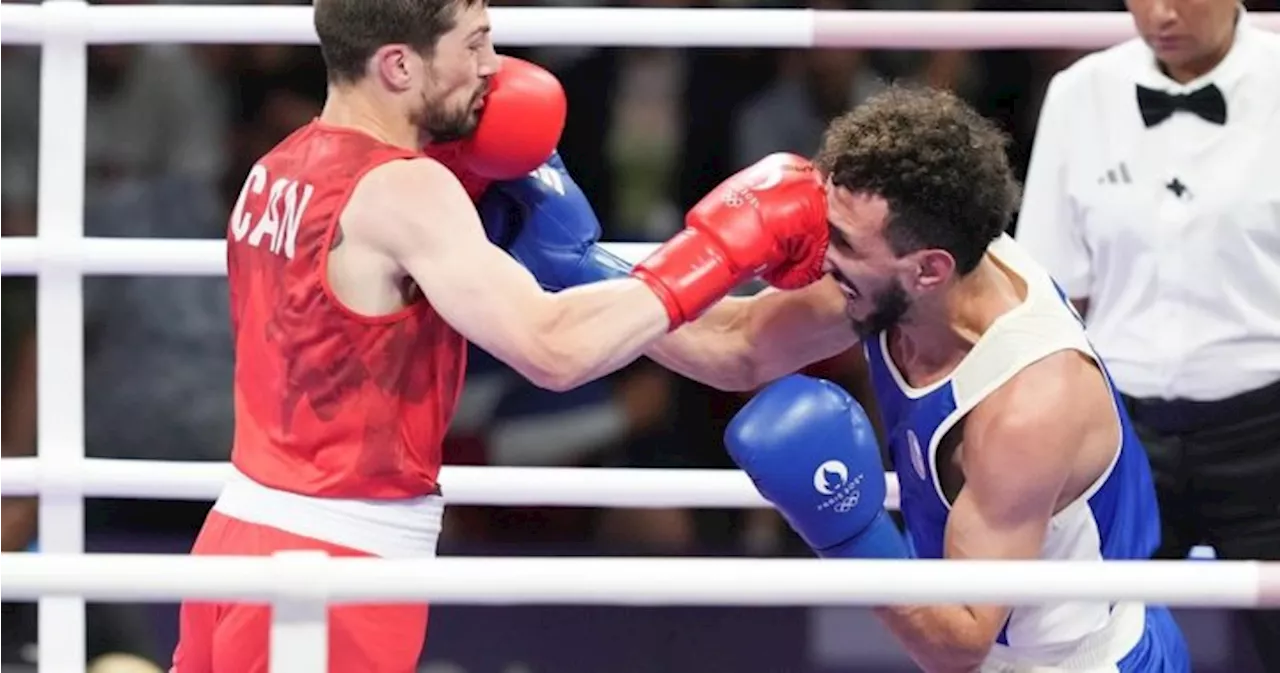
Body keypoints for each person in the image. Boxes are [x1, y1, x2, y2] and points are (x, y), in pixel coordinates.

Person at [169, 0, 831, 670]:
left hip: (242, 537)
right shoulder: (406, 190)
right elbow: (553, 348)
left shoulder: (276, 169)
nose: (494, 69)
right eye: (476, 45)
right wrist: (720, 251)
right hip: (330, 568)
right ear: (399, 64)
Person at [481, 84, 1190, 671]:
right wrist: (578, 265)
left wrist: (848, 526)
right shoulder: (898, 281)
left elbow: (960, 638)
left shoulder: (1028, 405)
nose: (821, 253)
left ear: (929, 268)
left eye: (843, 241)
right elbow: (740, 346)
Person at [1013, 0, 1280, 667]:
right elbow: (1047, 290)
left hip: (1268, 426)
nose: (1161, 12)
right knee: (1079, 646)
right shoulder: (1081, 94)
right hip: (1121, 431)